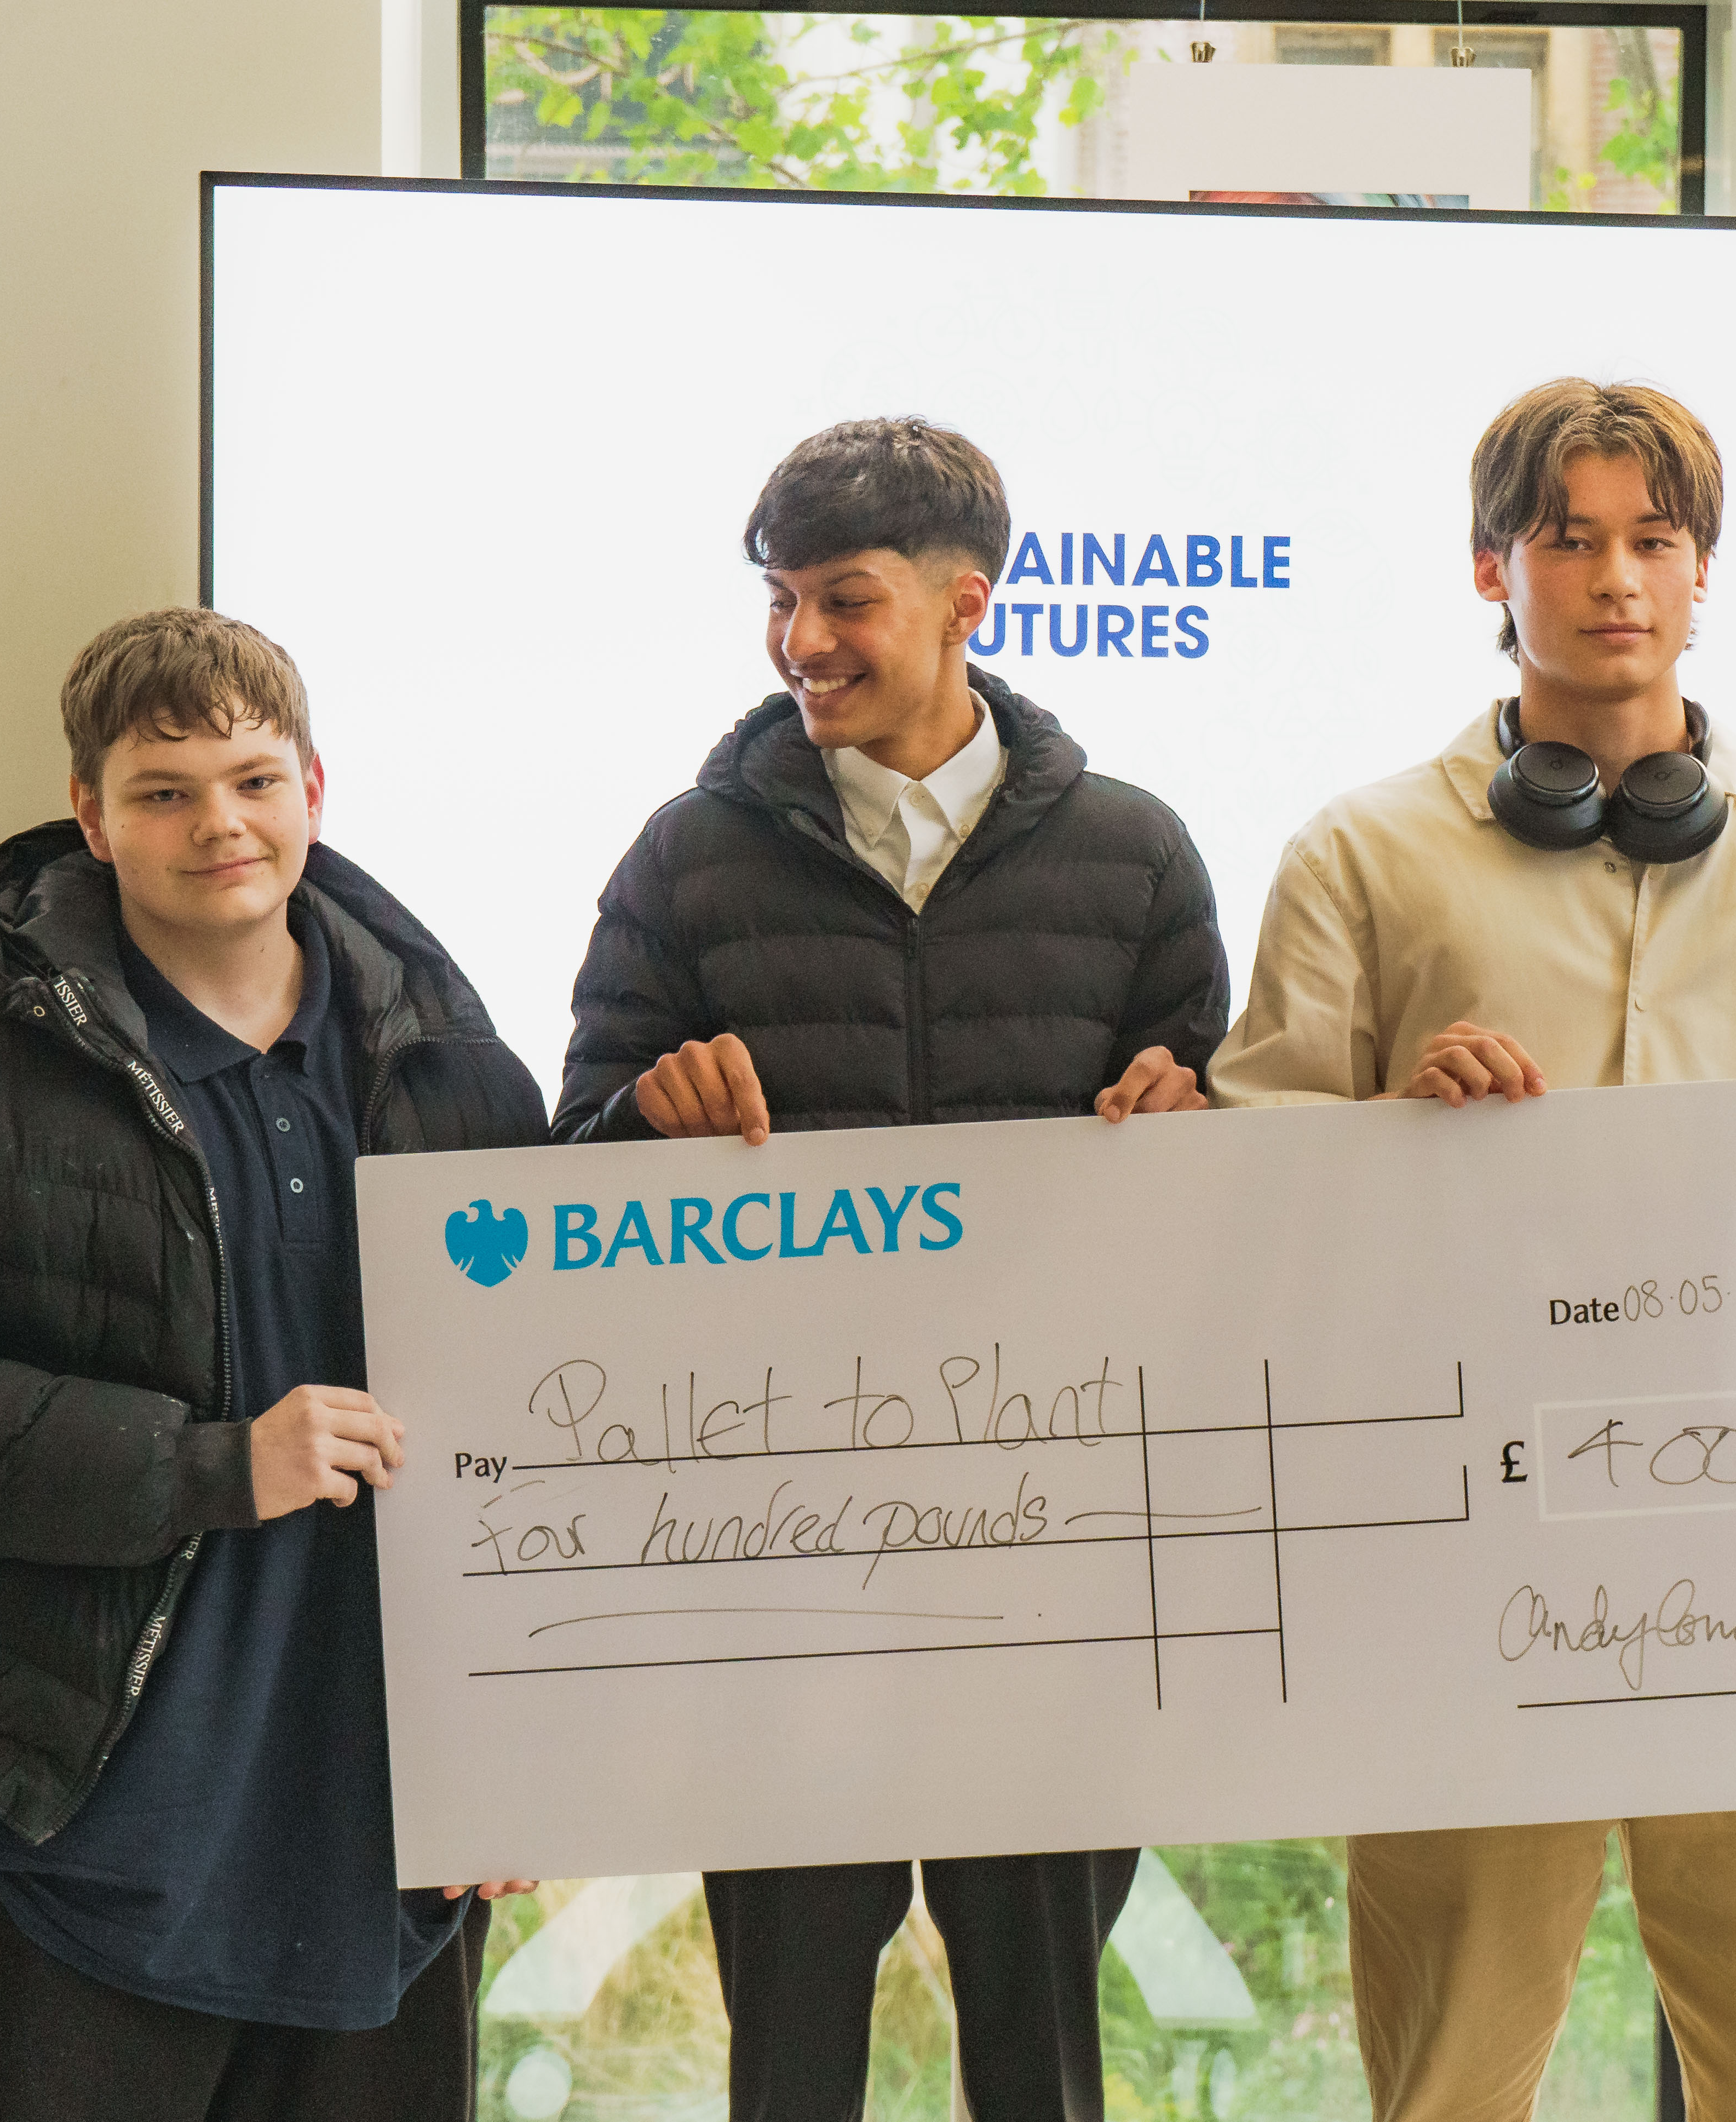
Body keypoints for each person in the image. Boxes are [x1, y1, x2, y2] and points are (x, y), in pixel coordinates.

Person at [1208, 377, 1736, 2122]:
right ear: (1489, 566)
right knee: (1446, 2071)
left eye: (1650, 538)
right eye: (1564, 537)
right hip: (1455, 1543)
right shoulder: (1358, 855)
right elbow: (1251, 1175)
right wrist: (1389, 1123)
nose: (1610, 578)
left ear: (1702, 567)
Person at [0, 608, 548, 2120]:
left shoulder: (464, 1080)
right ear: (91, 813)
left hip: (372, 1876)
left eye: (254, 780)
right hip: (55, 1847)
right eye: (165, 790)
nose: (220, 826)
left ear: (316, 788)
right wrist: (207, 1465)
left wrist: (514, 1757)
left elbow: (539, 1431)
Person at [553, 416, 1225, 2122]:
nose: (800, 644)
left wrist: (1196, 1113)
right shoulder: (679, 861)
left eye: (840, 599)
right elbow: (565, 1181)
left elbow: (1218, 1208)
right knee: (784, 2056)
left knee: (1044, 2053)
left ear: (965, 602)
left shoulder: (1136, 855)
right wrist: (647, 1113)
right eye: (779, 601)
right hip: (778, 1558)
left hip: (1054, 1555)